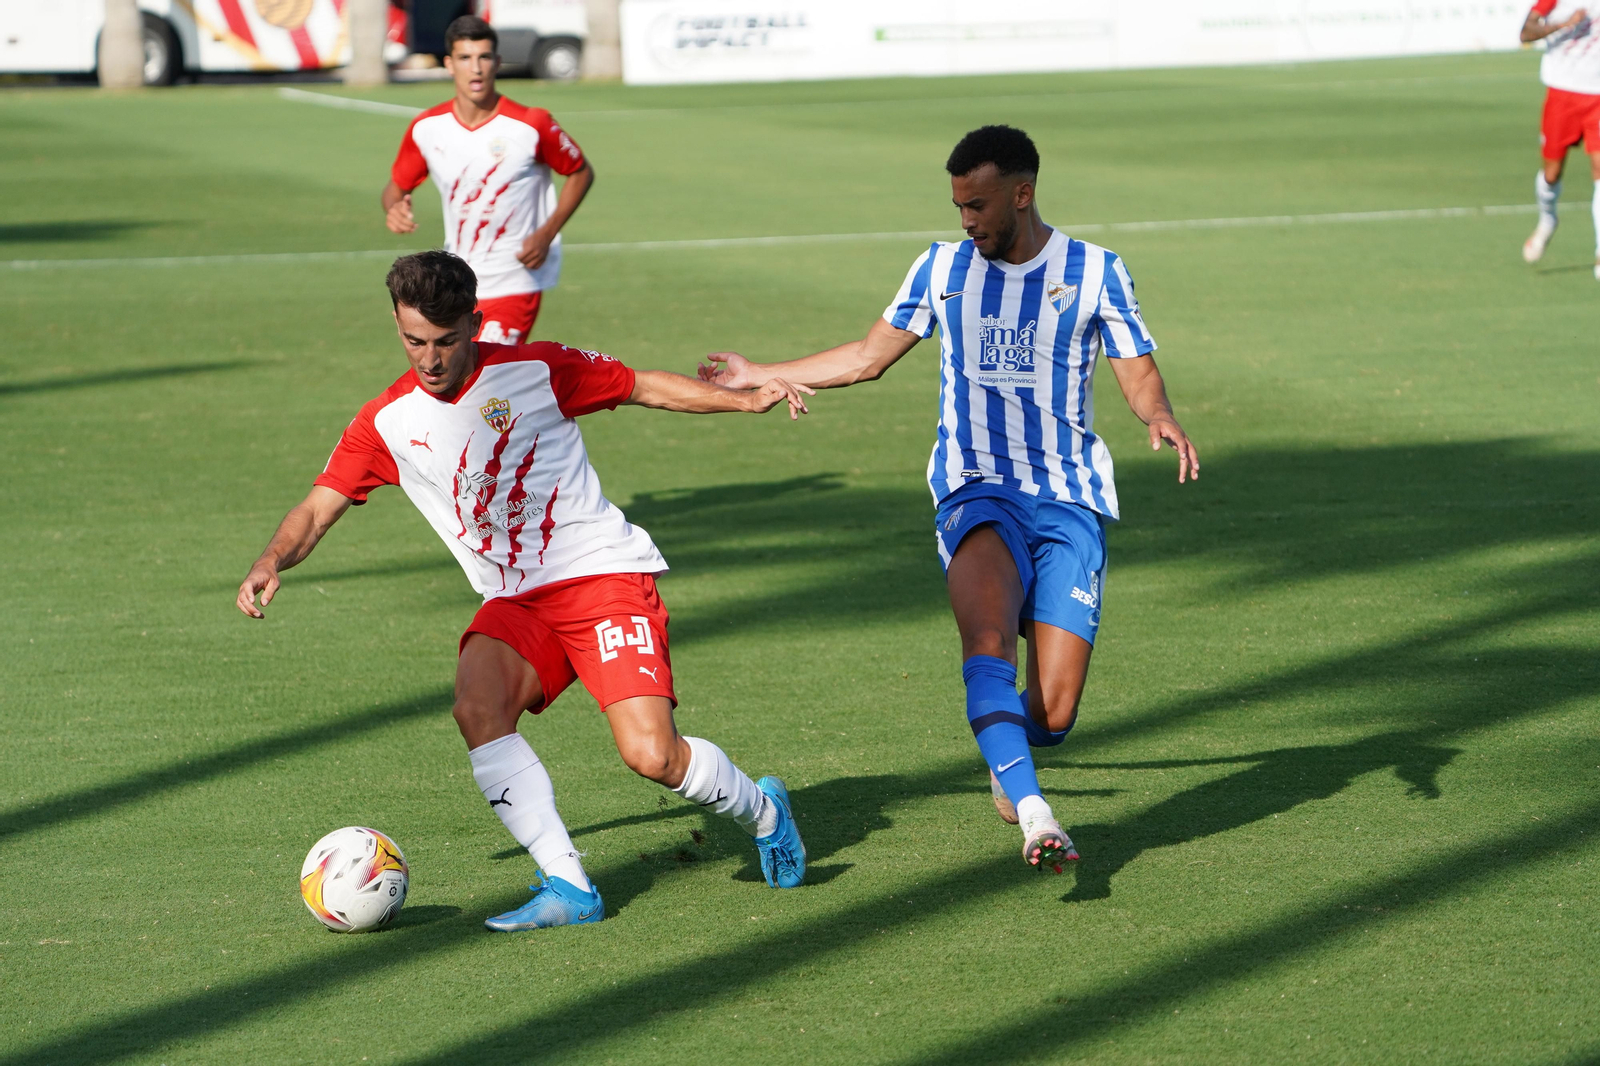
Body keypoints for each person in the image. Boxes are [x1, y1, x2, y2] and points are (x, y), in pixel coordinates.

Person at [236, 251, 813, 929]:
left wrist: (746, 400)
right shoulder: (386, 422)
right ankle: (570, 888)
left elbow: (641, 385)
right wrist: (272, 559)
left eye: (446, 342)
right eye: (414, 341)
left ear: (475, 324)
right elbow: (316, 506)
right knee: (478, 708)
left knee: (652, 756)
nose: (429, 359)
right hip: (518, 600)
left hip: (601, 577)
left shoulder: (534, 369)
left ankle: (764, 811)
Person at [698, 125, 1199, 872]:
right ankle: (1036, 816)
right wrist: (761, 370)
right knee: (988, 645)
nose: (966, 220)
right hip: (976, 489)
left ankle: (1011, 756)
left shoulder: (1096, 272)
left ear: (1022, 194)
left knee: (1054, 715)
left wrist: (1156, 413)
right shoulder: (940, 270)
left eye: (979, 205)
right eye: (958, 205)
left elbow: (1136, 367)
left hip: (1068, 498)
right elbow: (869, 357)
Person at [380, 15, 593, 344]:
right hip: (455, 281)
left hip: (515, 277)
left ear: (497, 61)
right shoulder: (426, 127)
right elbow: (396, 188)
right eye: (465, 58)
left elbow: (580, 171)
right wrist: (394, 208)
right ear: (450, 64)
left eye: (483, 57)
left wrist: (547, 233)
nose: (475, 68)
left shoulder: (531, 123)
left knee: (488, 374)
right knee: (455, 378)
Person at [1518, 2, 1600, 277]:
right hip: (1562, 93)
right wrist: (1562, 24)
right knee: (1551, 173)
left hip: (1597, 96)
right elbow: (1526, 33)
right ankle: (1548, 219)